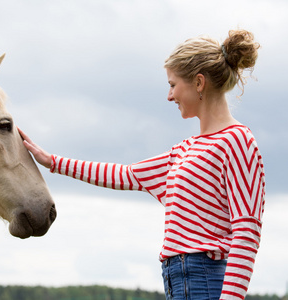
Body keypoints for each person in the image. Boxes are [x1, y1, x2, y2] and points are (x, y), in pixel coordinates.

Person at [19, 29, 265, 300]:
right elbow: (126, 174)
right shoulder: (184, 151)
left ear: (198, 83)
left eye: (173, 84)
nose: (169, 96)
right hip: (177, 283)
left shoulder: (238, 141)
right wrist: (52, 161)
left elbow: (246, 231)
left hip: (206, 284)